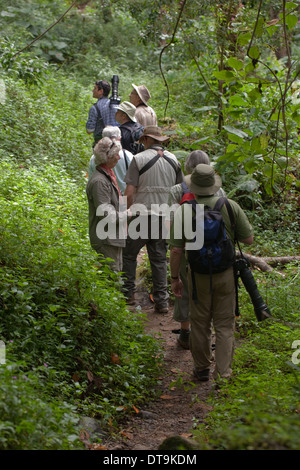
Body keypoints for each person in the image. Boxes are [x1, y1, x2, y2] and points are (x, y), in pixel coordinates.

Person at [168, 164, 253, 382]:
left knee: (200, 323)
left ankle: (202, 368)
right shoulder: (230, 205)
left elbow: (177, 249)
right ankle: (223, 375)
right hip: (225, 274)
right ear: (214, 186)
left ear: (193, 186)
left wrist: (175, 278)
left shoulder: (184, 210)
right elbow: (248, 239)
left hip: (197, 277)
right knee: (224, 325)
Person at [168, 150, 226, 350]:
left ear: (188, 166)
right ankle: (207, 335)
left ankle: (185, 333)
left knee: (183, 290)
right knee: (210, 289)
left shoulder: (177, 190)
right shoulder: (219, 191)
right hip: (214, 250)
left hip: (186, 249)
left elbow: (172, 220)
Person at [122, 126, 183, 313]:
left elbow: (130, 192)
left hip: (140, 216)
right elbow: (180, 192)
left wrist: (125, 213)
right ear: (161, 141)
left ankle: (127, 296)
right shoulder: (174, 161)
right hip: (164, 218)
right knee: (159, 260)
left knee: (129, 255)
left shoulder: (138, 159)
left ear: (146, 140)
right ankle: (162, 302)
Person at [86, 136, 127, 272]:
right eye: (116, 154)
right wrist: (127, 214)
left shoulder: (108, 175)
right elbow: (106, 215)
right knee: (112, 281)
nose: (119, 158)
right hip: (106, 240)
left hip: (112, 238)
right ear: (107, 157)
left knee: (117, 277)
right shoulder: (100, 182)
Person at [88, 125, 133, 195]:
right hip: (124, 197)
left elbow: (91, 180)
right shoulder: (127, 155)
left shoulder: (94, 158)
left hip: (104, 195)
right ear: (119, 139)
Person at [86, 80, 119, 147]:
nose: (93, 91)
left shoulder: (95, 107)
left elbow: (89, 130)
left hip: (101, 145)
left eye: (95, 88)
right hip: (116, 143)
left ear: (101, 91)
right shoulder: (117, 105)